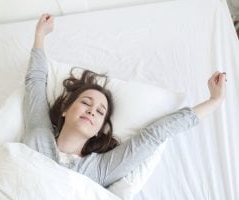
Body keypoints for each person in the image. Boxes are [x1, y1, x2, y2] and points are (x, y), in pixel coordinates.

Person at [21, 14, 227, 187]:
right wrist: (40, 36)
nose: (92, 111)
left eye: (100, 112)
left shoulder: (99, 169)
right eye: (85, 102)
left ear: (99, 130)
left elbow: (154, 135)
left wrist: (214, 101)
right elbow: (35, 82)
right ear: (65, 109)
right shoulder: (39, 133)